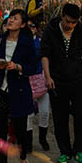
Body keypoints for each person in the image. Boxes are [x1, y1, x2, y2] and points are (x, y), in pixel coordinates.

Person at [40, 3, 82, 163]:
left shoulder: (81, 30)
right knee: (60, 117)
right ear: (62, 16)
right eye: (68, 21)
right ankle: (64, 151)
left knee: (80, 115)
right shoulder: (51, 30)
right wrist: (48, 77)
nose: (70, 25)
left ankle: (80, 151)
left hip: (78, 79)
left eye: (74, 22)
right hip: (57, 80)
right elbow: (44, 55)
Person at [0, 8, 37, 163]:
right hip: (1, 91)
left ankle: (23, 159)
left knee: (20, 131)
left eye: (15, 19)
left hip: (19, 91)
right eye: (10, 18)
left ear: (22, 24)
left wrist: (17, 67)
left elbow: (33, 67)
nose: (11, 21)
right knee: (0, 132)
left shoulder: (27, 42)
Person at [26, 21, 50, 151]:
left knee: (45, 112)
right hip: (27, 80)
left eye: (33, 26)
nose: (31, 28)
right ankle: (28, 142)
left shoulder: (41, 42)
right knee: (28, 114)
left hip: (41, 79)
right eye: (28, 26)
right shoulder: (21, 43)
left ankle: (43, 138)